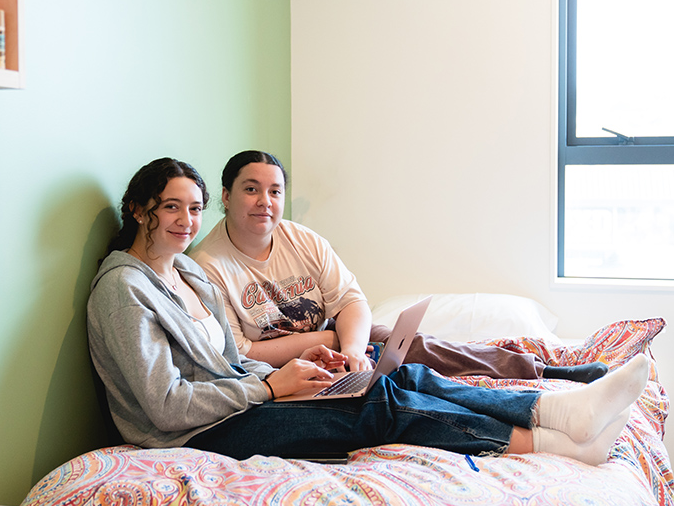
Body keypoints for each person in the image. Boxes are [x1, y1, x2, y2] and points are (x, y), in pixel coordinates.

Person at [86, 156, 649, 466]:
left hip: (240, 399)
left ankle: (551, 409)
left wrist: (308, 372)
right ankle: (560, 441)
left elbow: (232, 360)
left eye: (192, 208)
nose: (185, 221)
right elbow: (163, 408)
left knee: (392, 369)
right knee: (377, 406)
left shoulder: (182, 273)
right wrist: (272, 389)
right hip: (194, 434)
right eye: (170, 208)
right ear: (138, 210)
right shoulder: (124, 290)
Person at [190, 150, 609, 382]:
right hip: (285, 369)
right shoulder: (207, 266)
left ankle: (550, 373)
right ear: (225, 196)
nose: (266, 202)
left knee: (415, 345)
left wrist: (352, 347)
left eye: (275, 191)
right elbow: (242, 353)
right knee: (407, 379)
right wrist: (332, 340)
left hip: (338, 343)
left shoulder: (302, 239)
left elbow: (351, 300)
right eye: (251, 190)